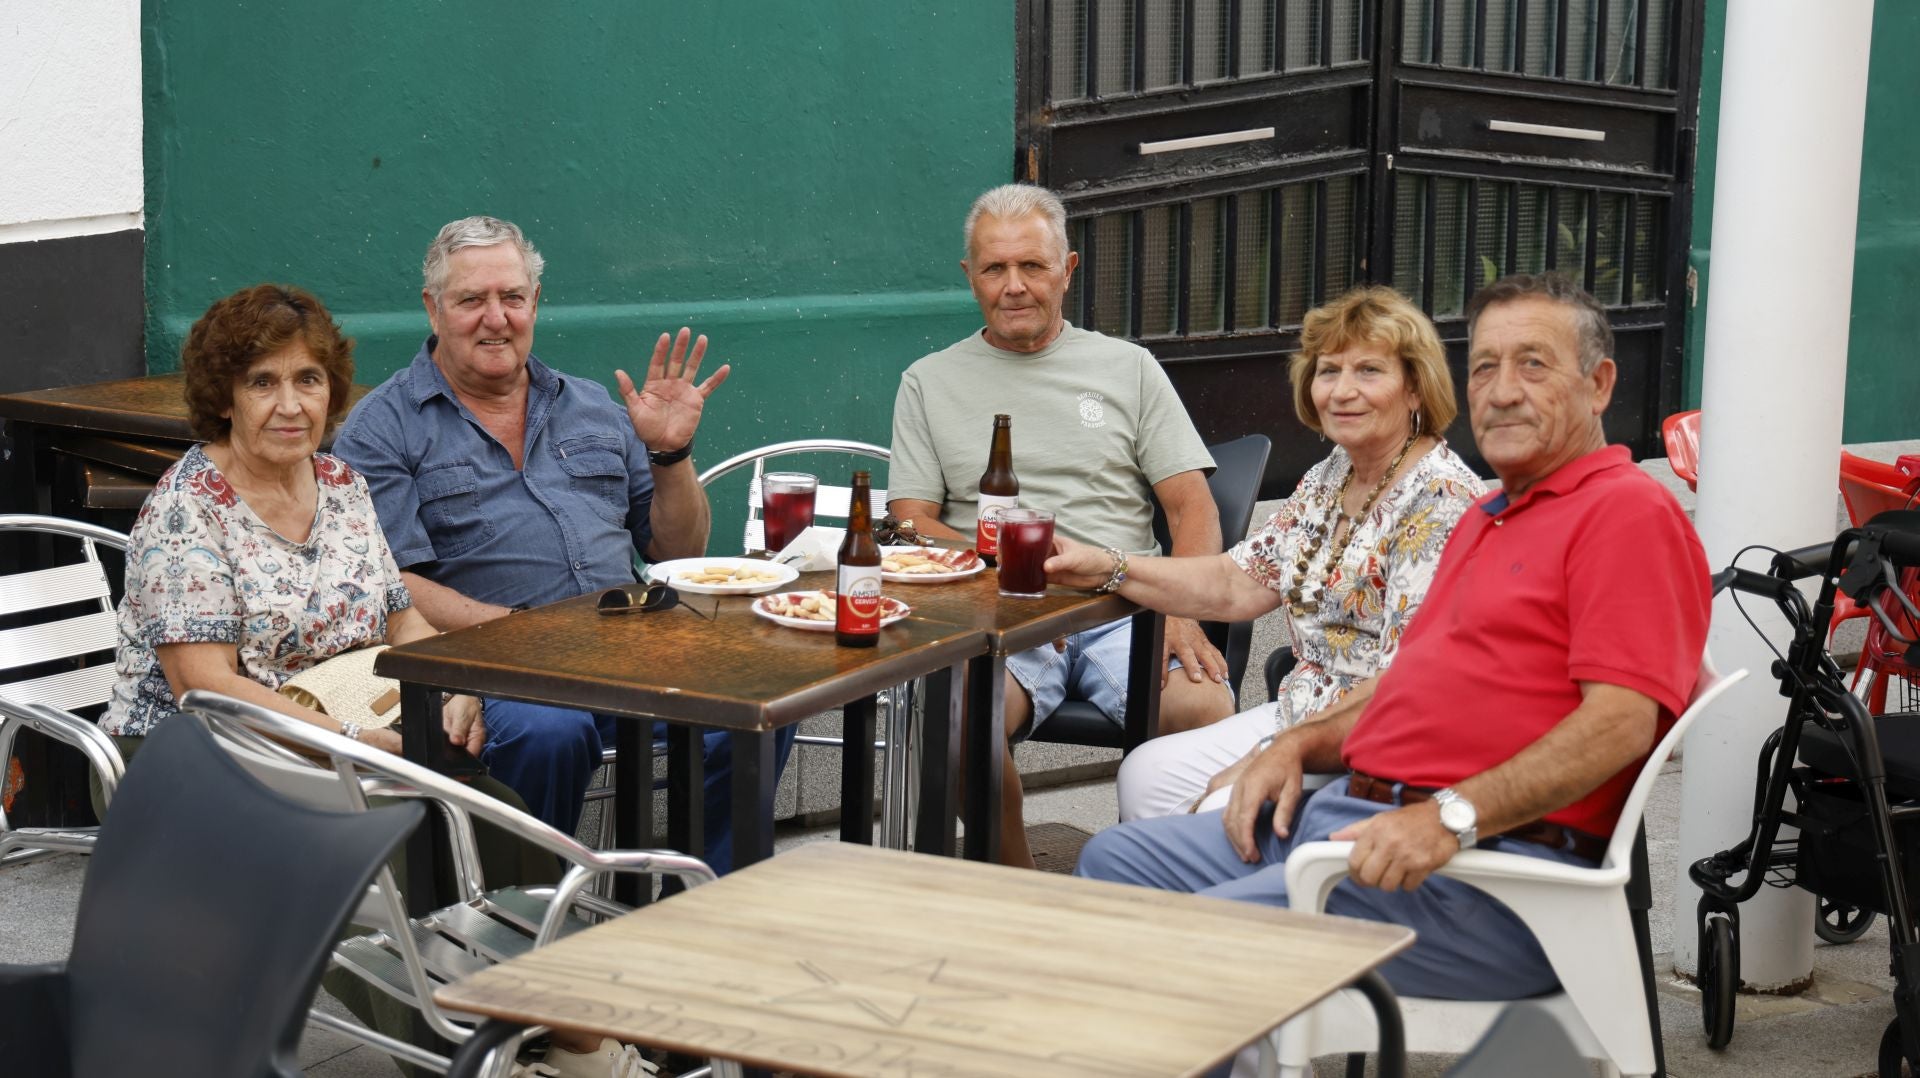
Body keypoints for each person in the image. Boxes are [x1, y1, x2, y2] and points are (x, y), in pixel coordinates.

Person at [1074, 273, 1711, 1017]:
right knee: (1111, 861)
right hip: (1349, 816)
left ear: (1599, 384)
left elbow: (1621, 723)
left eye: (1533, 364)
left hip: (1478, 877)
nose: (1502, 390)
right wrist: (1294, 748)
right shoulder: (1495, 515)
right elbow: (1401, 682)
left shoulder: (1624, 514)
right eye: (1485, 366)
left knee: (1204, 948)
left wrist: (1449, 817)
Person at [333, 215, 793, 875]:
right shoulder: (384, 428)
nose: (496, 318)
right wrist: (524, 632)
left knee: (762, 699)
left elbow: (676, 549)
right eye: (471, 300)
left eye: (512, 298)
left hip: (634, 652)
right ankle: (522, 917)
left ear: (536, 304)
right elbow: (390, 581)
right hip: (490, 673)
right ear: (433, 309)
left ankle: (704, 904)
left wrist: (670, 454)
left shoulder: (594, 406)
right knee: (551, 732)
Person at [888, 183, 1235, 868]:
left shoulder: (1127, 368)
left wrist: (1184, 610)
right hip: (996, 613)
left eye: (1033, 267)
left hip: (1125, 607)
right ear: (970, 276)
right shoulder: (929, 381)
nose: (1013, 286)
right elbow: (911, 518)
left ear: (1068, 270)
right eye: (994, 268)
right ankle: (1021, 893)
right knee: (960, 730)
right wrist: (1004, 555)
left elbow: (1191, 507)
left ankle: (1169, 887)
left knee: (1207, 717)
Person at [1047, 285, 1484, 822]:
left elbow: (1406, 685)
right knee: (1147, 775)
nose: (1342, 391)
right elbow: (1237, 582)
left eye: (1369, 371)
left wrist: (1274, 754)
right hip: (1302, 710)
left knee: (1223, 805)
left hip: (1381, 740)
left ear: (1415, 389)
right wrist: (1109, 566)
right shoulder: (1331, 475)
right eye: (1329, 371)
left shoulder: (1438, 498)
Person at [101, 284, 483, 769]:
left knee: (495, 811)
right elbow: (206, 689)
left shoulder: (342, 484)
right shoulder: (186, 510)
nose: (291, 405)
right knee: (417, 830)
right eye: (262, 383)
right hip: (193, 758)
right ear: (224, 399)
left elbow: (401, 619)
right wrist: (352, 741)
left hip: (342, 736)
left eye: (308, 379)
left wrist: (455, 690)